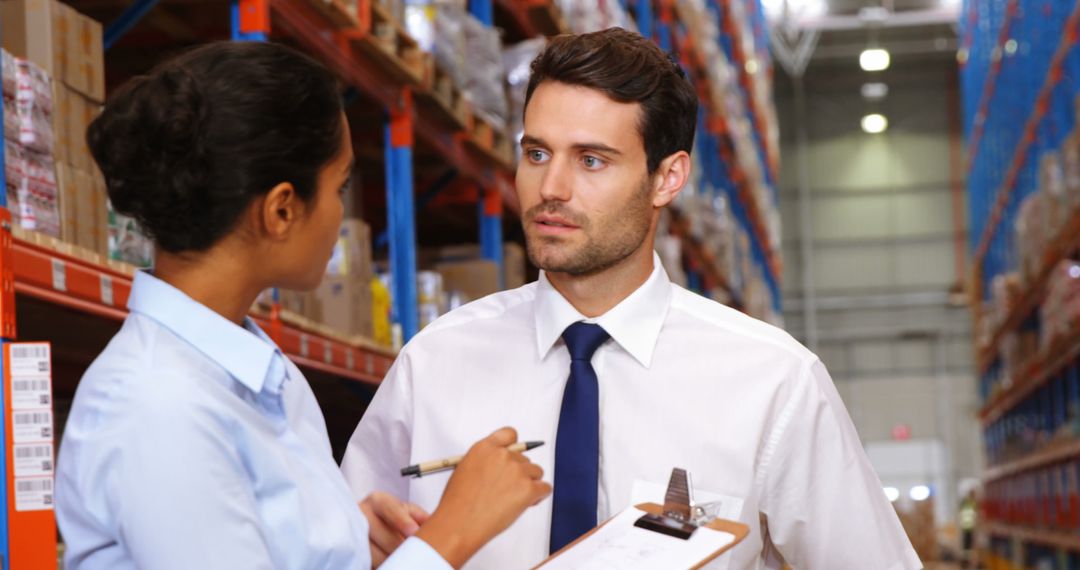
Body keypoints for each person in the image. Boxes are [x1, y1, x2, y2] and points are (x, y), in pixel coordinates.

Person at [341, 28, 921, 569]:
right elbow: (338, 543)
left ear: (668, 178)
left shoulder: (774, 382)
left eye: (591, 160)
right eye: (537, 154)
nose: (551, 189)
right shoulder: (435, 364)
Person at [54, 41, 550, 570]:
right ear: (282, 210)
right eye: (339, 186)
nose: (341, 215)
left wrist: (338, 536)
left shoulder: (256, 373)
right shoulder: (157, 405)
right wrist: (451, 535)